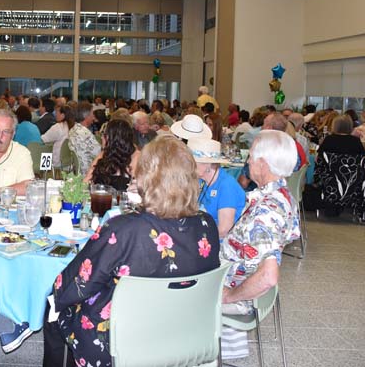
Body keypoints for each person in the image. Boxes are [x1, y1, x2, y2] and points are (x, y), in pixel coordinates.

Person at [44, 136, 221, 366]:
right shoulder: (207, 225)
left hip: (120, 343)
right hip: (187, 332)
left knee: (53, 304)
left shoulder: (123, 230)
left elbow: (75, 284)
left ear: (145, 178)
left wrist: (55, 294)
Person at [220, 130, 301, 360]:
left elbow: (268, 276)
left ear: (263, 164)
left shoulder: (266, 212)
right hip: (240, 278)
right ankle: (227, 348)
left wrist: (229, 296)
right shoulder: (282, 194)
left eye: (251, 157)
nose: (247, 162)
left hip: (237, 292)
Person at [188, 137, 246, 239]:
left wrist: (194, 237)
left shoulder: (226, 186)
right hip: (201, 232)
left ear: (207, 165)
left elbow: (224, 229)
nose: (187, 166)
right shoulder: (201, 181)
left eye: (192, 163)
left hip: (219, 242)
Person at [84, 119, 139, 192]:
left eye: (104, 135)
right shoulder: (103, 155)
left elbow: (137, 189)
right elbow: (86, 182)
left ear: (113, 139)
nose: (101, 137)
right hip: (99, 199)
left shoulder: (137, 157)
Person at [67, 102, 101, 177]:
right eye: (92, 114)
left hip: (76, 170)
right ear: (86, 116)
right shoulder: (85, 134)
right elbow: (99, 154)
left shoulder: (72, 130)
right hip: (88, 172)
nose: (93, 117)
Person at [42, 105, 71, 170]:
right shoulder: (72, 127)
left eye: (57, 113)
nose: (55, 115)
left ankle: (43, 175)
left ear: (62, 115)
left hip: (56, 161)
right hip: (68, 161)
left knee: (41, 149)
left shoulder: (58, 127)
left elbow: (43, 139)